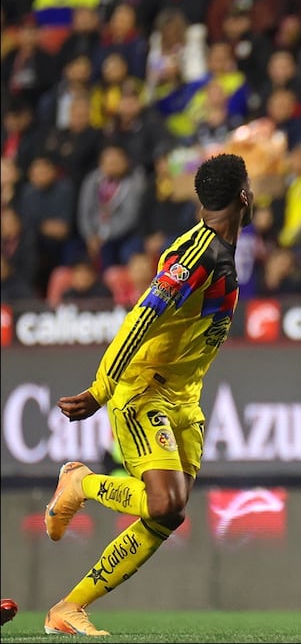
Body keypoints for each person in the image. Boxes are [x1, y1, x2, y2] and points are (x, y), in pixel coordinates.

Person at [43, 153, 254, 636]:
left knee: (167, 515)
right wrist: (102, 389)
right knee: (161, 505)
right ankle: (81, 483)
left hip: (184, 399)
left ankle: (68, 608)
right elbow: (142, 317)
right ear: (243, 195)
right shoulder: (195, 255)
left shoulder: (219, 250)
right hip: (144, 391)